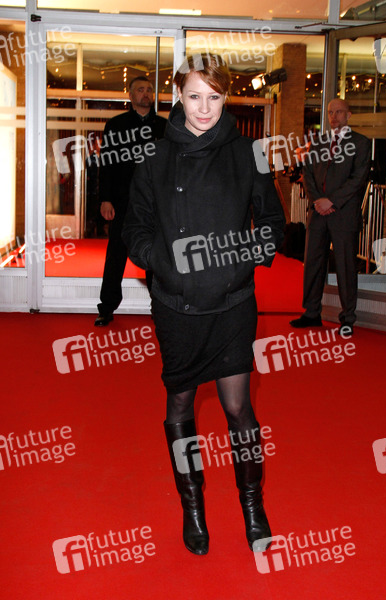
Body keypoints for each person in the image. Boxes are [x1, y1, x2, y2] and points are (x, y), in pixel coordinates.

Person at [122, 54, 285, 555]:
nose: (205, 108)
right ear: (179, 95)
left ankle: (253, 505)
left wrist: (238, 259)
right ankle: (192, 506)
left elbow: (273, 223)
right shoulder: (154, 156)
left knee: (239, 408)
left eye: (214, 97)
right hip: (176, 304)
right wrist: (163, 264)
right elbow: (135, 227)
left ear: (225, 98)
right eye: (195, 96)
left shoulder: (249, 152)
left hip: (232, 302)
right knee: (180, 405)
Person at [290, 98, 371, 335]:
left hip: (343, 214)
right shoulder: (318, 143)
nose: (334, 116)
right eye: (330, 112)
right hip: (318, 213)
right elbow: (307, 173)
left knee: (346, 267)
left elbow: (358, 178)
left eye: (339, 112)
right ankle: (311, 313)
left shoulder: (361, 143)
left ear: (349, 115)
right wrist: (318, 200)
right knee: (313, 264)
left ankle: (347, 318)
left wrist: (332, 201)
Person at [94, 76, 167, 326]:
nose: (146, 94)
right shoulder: (116, 125)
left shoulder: (164, 127)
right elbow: (106, 164)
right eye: (140, 90)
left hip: (155, 205)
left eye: (149, 90)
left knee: (155, 257)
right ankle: (106, 307)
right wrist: (105, 199)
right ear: (131, 95)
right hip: (122, 202)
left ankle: (160, 307)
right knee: (116, 255)